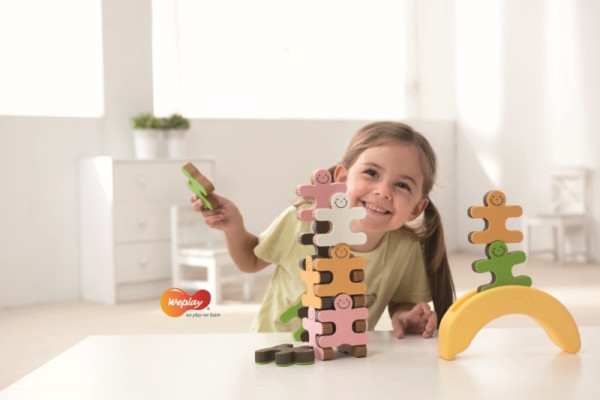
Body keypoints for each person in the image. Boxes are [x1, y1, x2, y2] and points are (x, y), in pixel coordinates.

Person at [192, 121, 455, 339]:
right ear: (342, 179)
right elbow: (250, 260)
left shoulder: (405, 249)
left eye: (402, 186)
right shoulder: (304, 219)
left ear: (416, 209)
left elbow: (401, 300)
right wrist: (234, 226)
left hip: (342, 355)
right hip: (273, 347)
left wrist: (404, 316)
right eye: (372, 173)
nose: (383, 191)